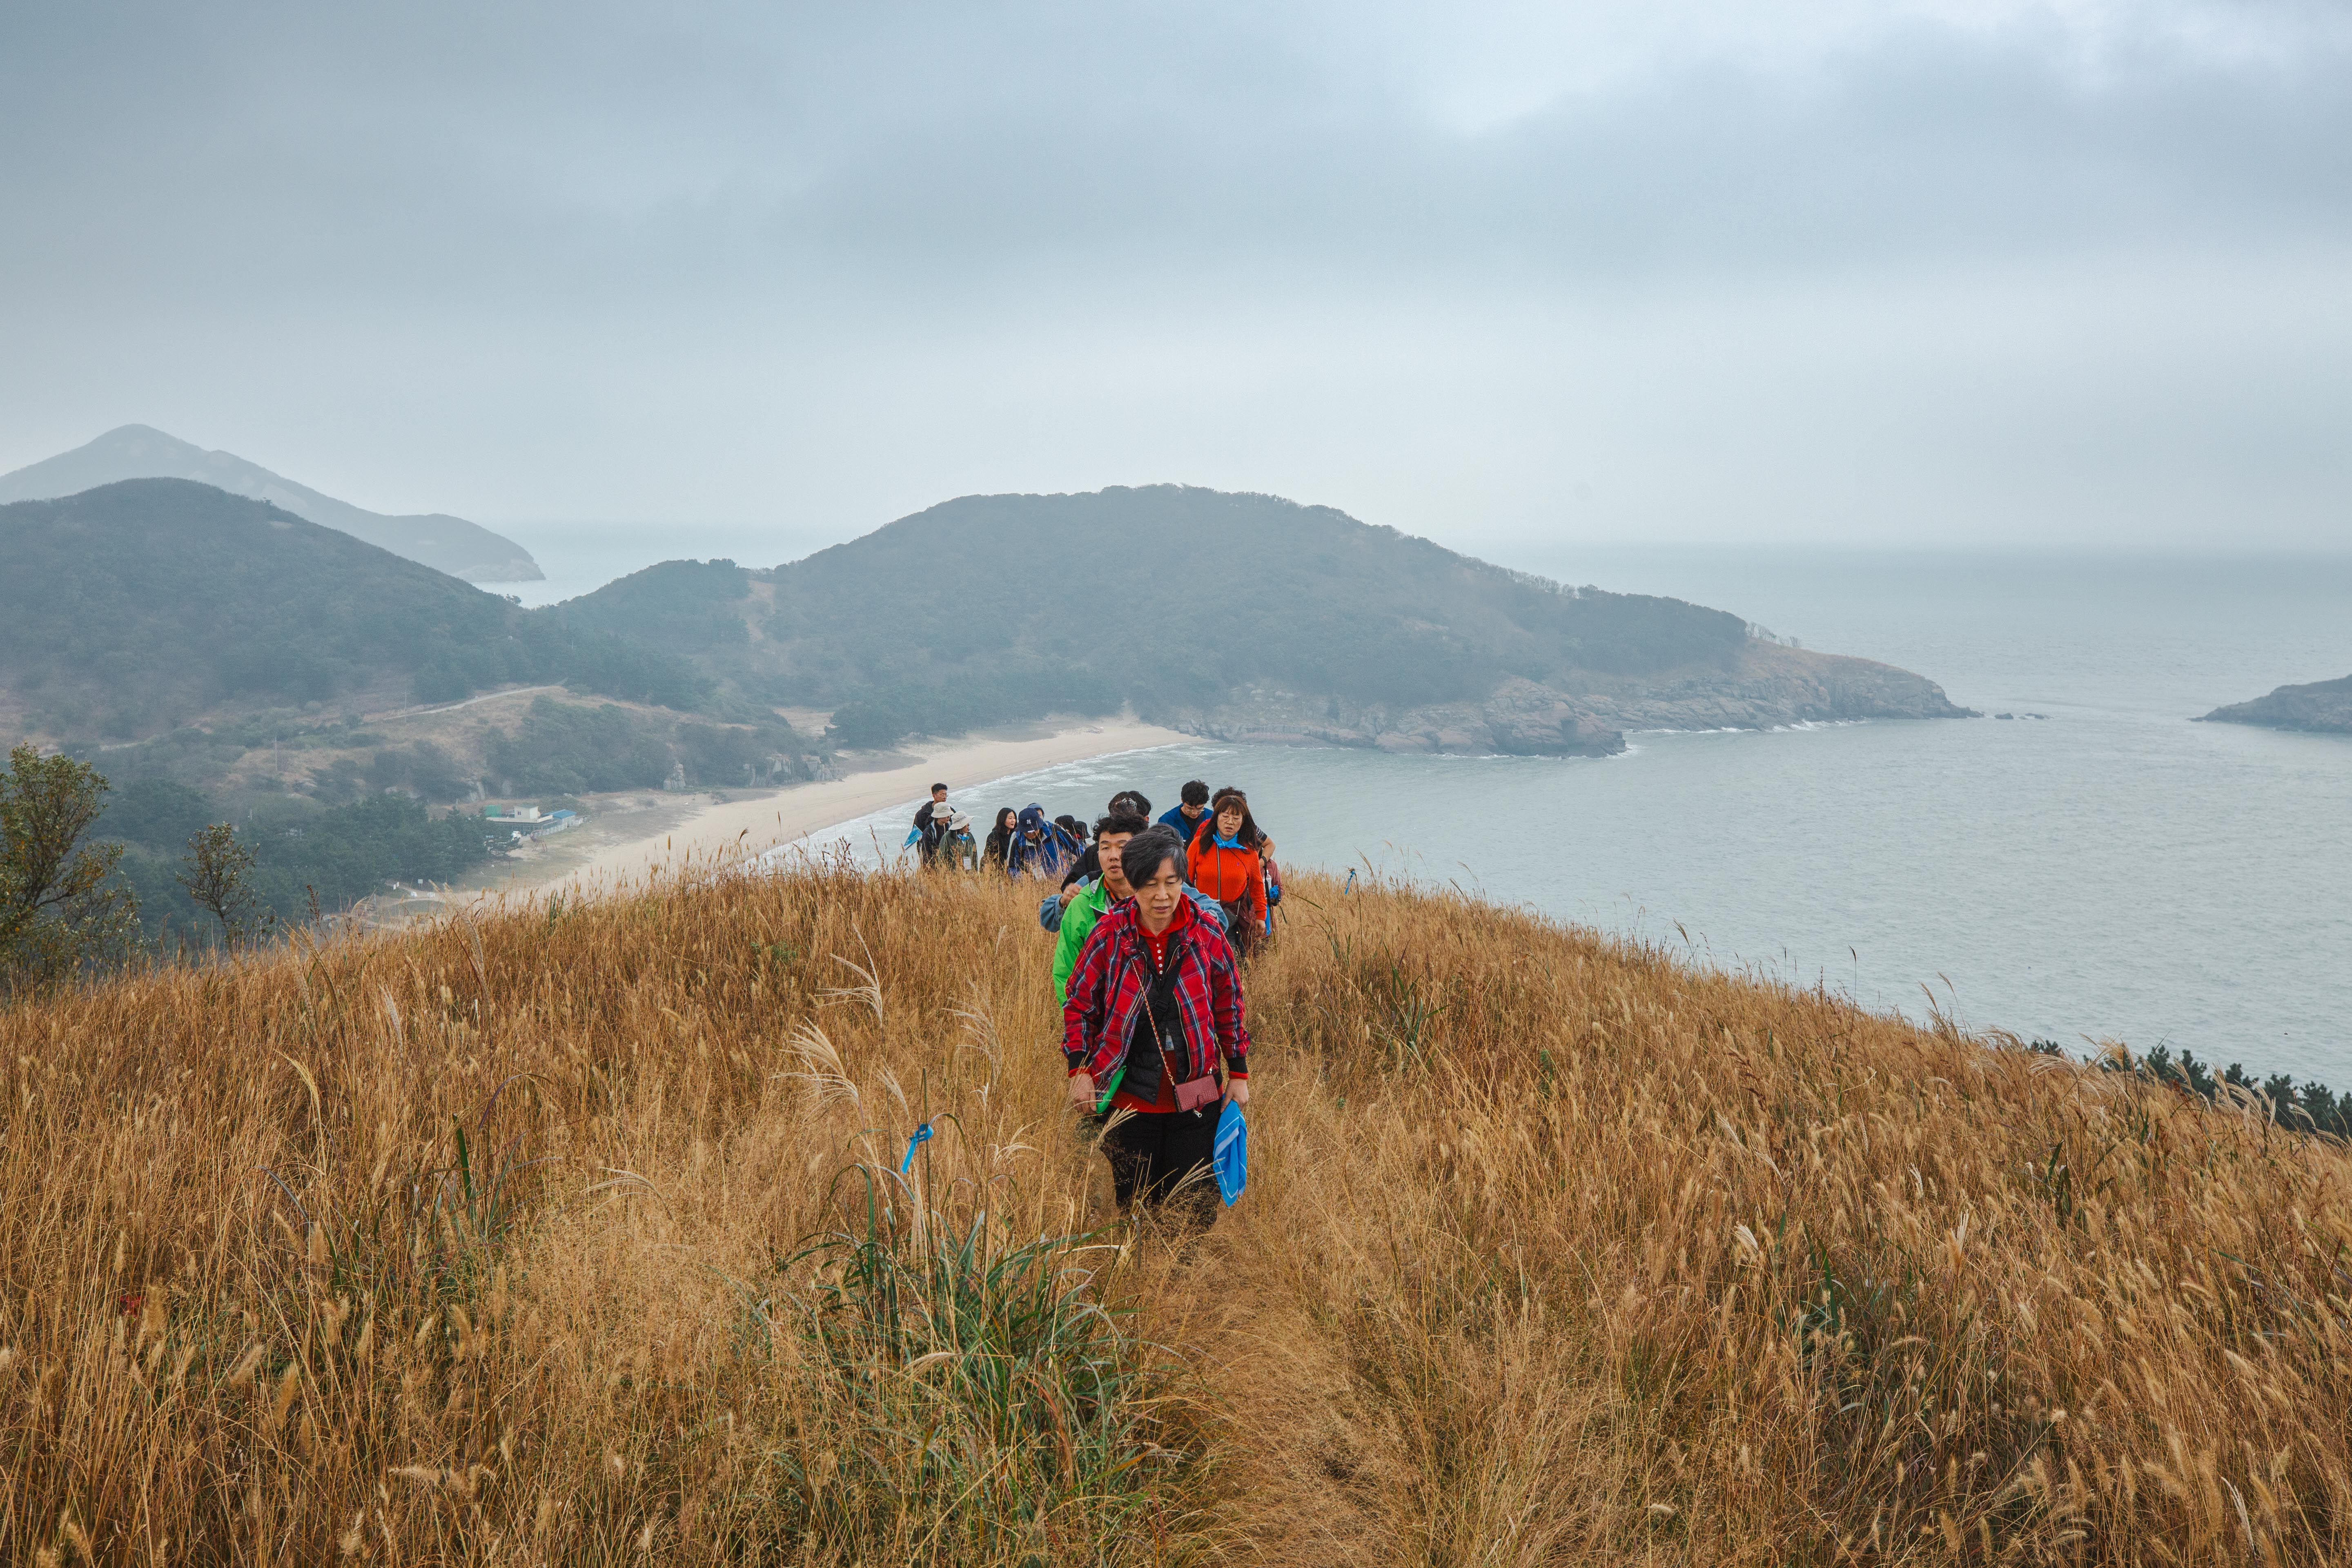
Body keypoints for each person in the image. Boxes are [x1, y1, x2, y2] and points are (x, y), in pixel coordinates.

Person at [1062, 826, 1251, 1221]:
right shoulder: (1110, 935)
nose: (1162, 895)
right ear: (1133, 884)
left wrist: (1239, 1073)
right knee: (1136, 1204)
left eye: (1172, 882)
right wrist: (1079, 1069)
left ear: (1184, 880)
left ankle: (1183, 1277)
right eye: (1150, 884)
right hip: (1129, 1097)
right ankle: (1142, 1274)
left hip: (1197, 1093)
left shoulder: (1208, 933)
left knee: (1195, 1204)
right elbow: (1079, 1004)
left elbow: (1229, 1003)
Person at [1186, 786, 1270, 958]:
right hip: (1202, 916)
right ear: (1216, 818)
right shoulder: (1198, 845)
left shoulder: (1249, 852)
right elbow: (1184, 881)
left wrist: (1261, 915)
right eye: (1225, 817)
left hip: (1234, 918)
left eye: (1236, 818)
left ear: (1243, 821)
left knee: (1231, 961)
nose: (1230, 822)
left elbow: (1256, 885)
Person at [1060, 790, 1157, 890]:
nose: (1114, 856)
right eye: (1116, 817)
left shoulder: (1157, 853)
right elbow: (1070, 888)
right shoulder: (1094, 855)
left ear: (1145, 821)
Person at [1157, 780, 1215, 847]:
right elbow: (1160, 849)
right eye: (1190, 808)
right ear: (1182, 800)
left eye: (1200, 809)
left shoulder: (1212, 817)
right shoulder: (1166, 821)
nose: (1195, 813)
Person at [912, 783, 951, 865]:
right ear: (934, 795)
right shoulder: (922, 814)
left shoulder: (950, 811)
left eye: (946, 794)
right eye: (942, 794)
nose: (945, 797)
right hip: (927, 849)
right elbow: (916, 834)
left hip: (946, 852)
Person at [982, 806, 1018, 872]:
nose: (1013, 821)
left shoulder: (1015, 834)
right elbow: (988, 857)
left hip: (1013, 871)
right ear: (1003, 819)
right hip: (999, 873)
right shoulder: (994, 836)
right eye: (1010, 818)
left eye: (1014, 818)